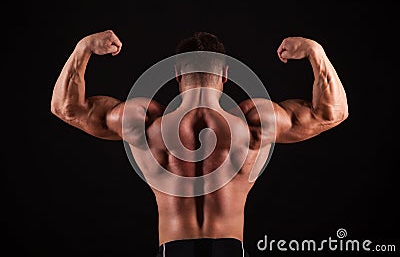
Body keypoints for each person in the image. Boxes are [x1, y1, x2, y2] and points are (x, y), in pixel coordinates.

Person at [50, 30, 348, 256]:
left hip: (173, 248)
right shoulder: (254, 121)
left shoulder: (145, 121)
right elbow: (331, 114)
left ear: (177, 73)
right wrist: (315, 52)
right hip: (230, 248)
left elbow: (66, 108)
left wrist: (83, 48)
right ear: (226, 75)